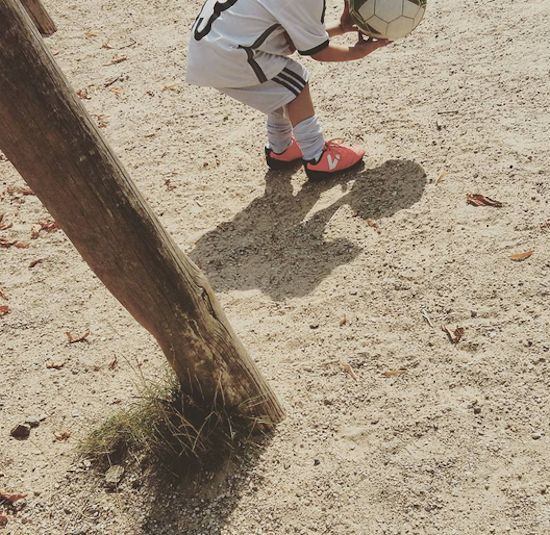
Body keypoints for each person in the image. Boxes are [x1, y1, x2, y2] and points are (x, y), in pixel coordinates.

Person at [186, 0, 390, 180]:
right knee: (296, 81)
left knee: (277, 86)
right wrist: (360, 51)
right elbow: (318, 51)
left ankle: (281, 149)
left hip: (212, 50)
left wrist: (341, 27)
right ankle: (317, 156)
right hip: (229, 54)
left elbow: (295, 38)